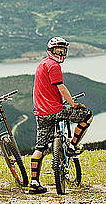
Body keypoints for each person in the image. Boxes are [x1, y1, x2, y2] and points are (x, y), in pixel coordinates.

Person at [28, 37, 93, 194]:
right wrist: (73, 104)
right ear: (51, 51)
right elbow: (61, 87)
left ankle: (34, 183)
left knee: (40, 147)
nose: (61, 53)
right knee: (87, 116)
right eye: (58, 50)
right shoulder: (54, 66)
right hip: (56, 110)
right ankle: (72, 146)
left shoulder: (41, 65)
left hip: (41, 113)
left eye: (63, 51)